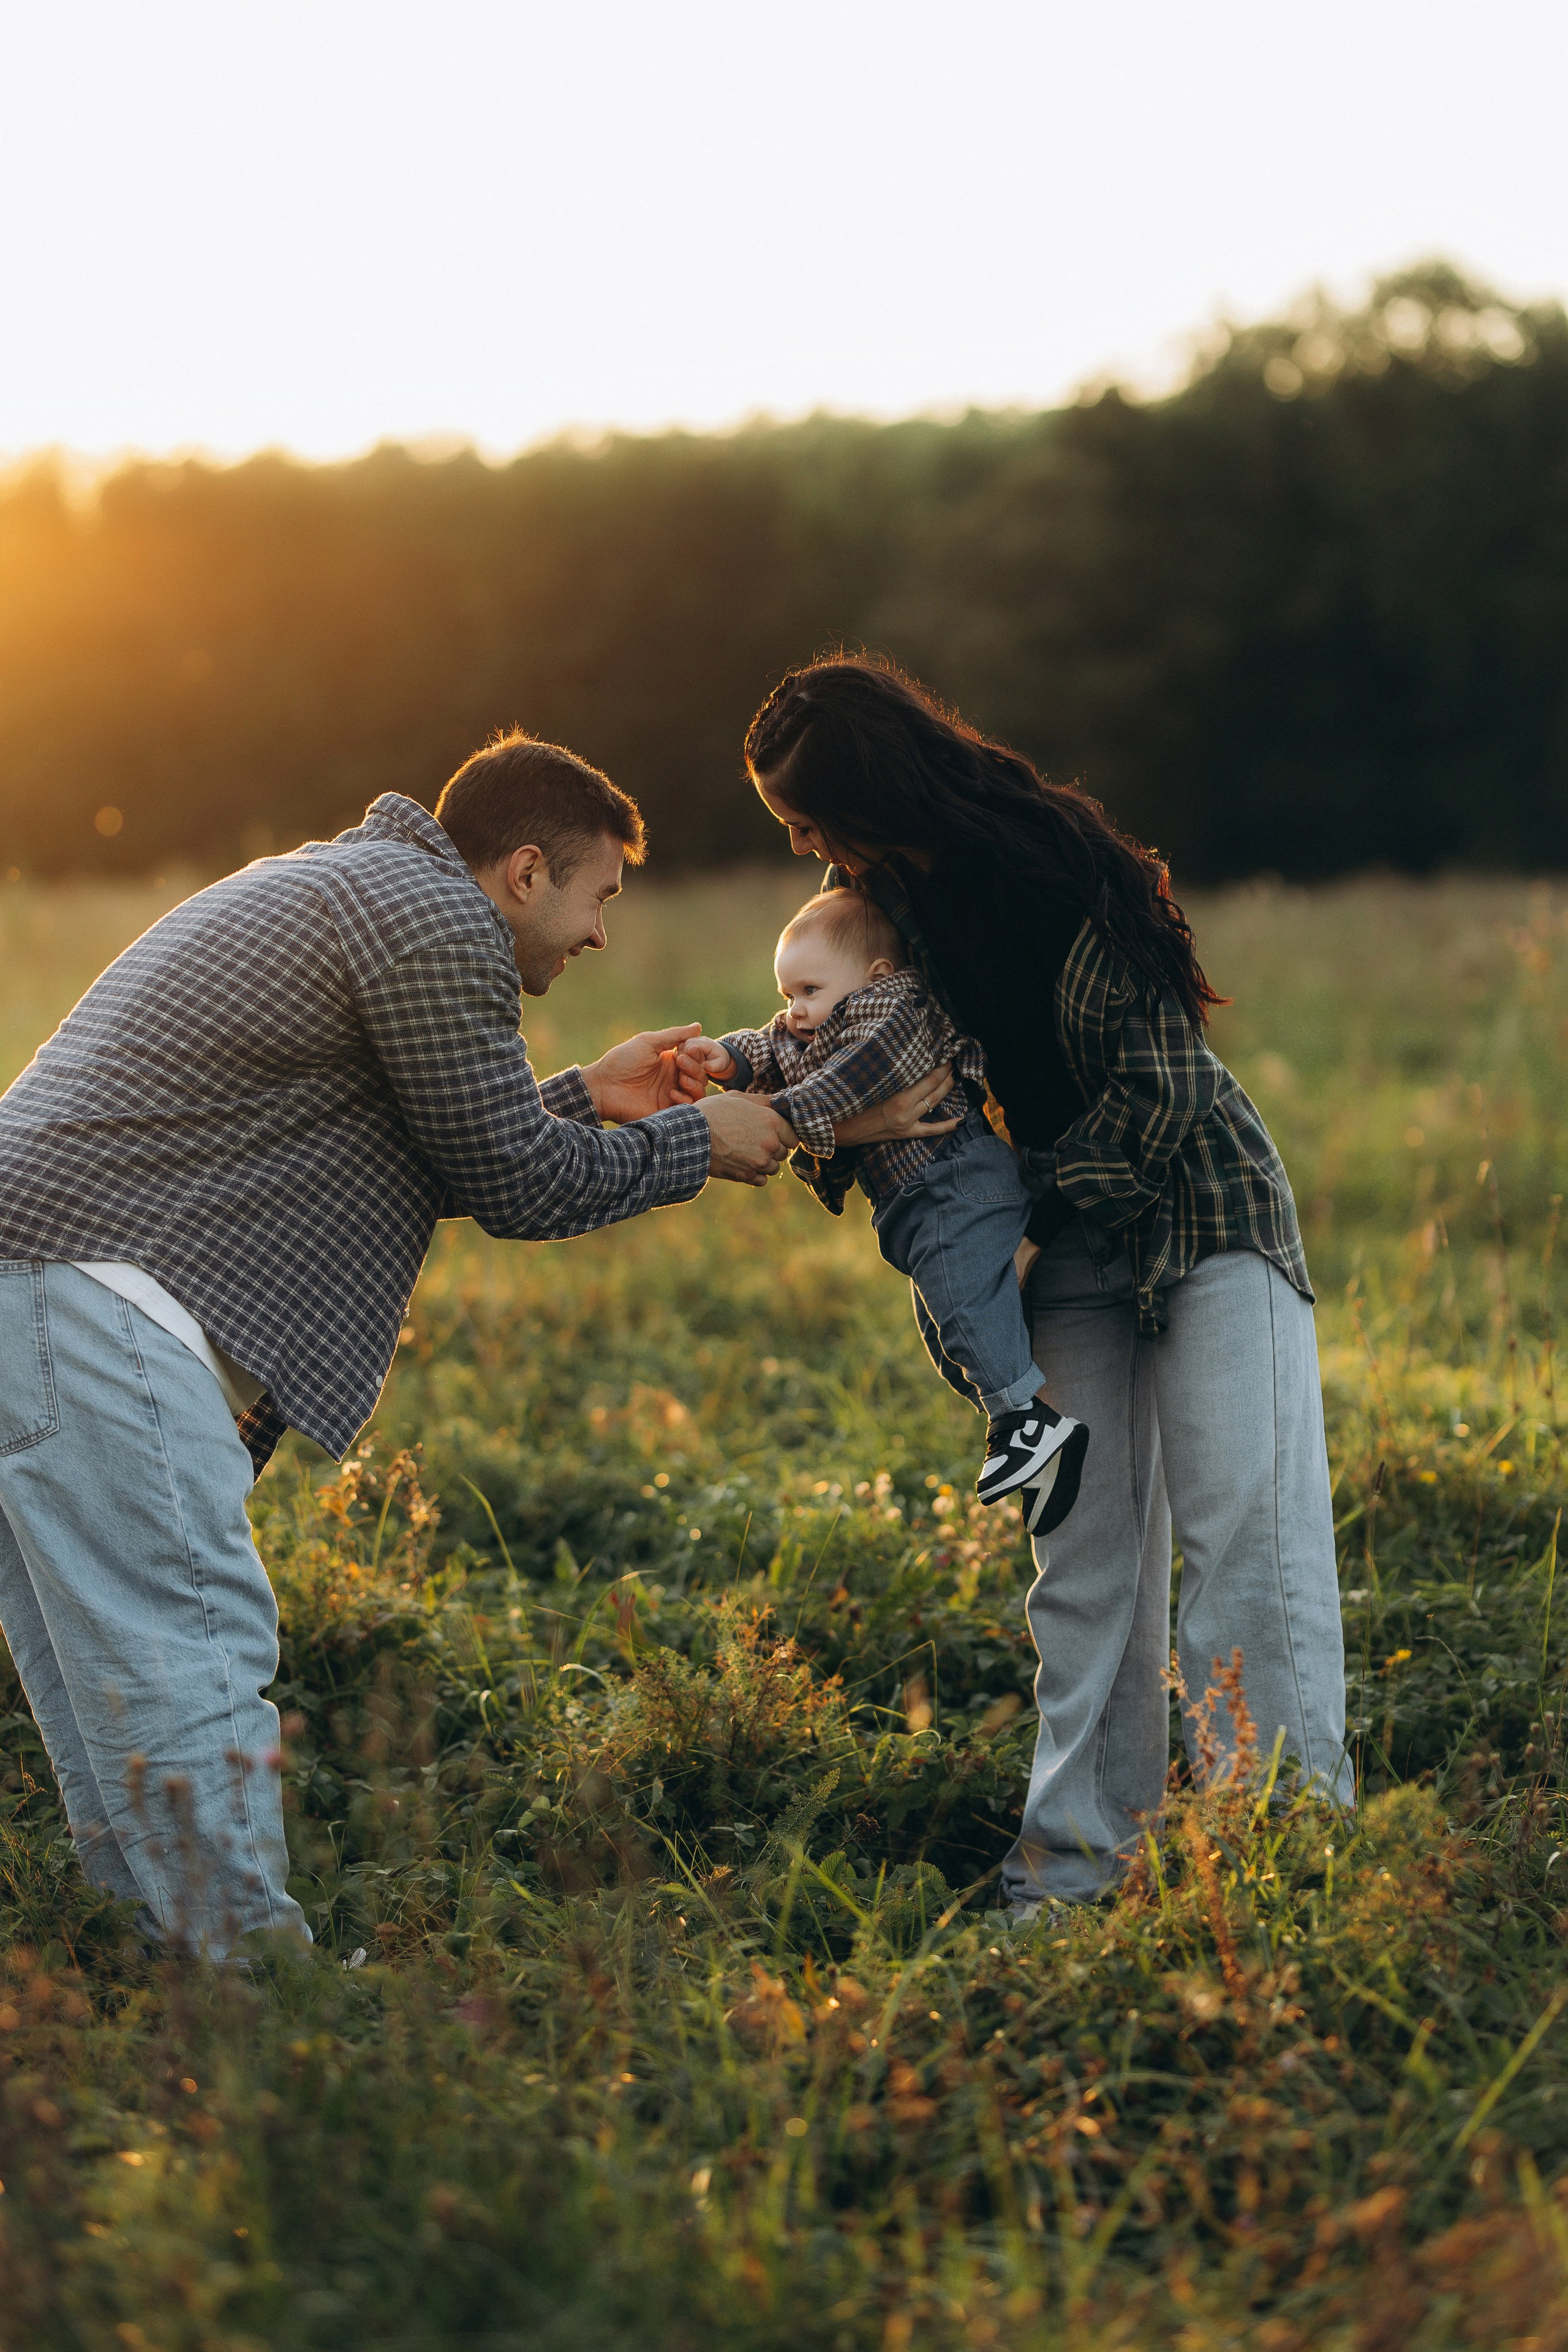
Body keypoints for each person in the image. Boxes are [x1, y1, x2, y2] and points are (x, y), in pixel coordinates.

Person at [0, 729, 839, 1961]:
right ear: (521, 871)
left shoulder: (359, 889)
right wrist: (693, 1143)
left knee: (114, 1677)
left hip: (41, 1289)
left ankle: (153, 1965)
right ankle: (261, 2001)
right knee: (191, 1644)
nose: (598, 934)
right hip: (98, 1300)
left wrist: (583, 1098)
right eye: (596, 896)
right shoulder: (429, 921)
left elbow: (407, 1139)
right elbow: (509, 1180)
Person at [742, 657, 1352, 1916]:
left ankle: (1281, 1868)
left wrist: (1013, 1180)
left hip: (1199, 1213)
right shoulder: (884, 912)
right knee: (1079, 1560)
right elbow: (856, 1051)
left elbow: (1168, 1097)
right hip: (1060, 1235)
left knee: (1244, 1528)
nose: (798, 842)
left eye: (805, 816)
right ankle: (1074, 1875)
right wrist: (759, 1084)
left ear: (871, 789)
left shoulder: (1054, 874)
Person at [691, 886, 1089, 1530]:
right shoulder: (822, 1021)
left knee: (963, 1309)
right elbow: (776, 1048)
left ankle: (1027, 1422)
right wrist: (731, 1059)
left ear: (874, 977)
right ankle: (1025, 1427)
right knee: (947, 1336)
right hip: (916, 1204)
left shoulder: (895, 1014)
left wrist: (774, 1117)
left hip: (955, 1183)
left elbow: (849, 1080)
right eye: (787, 995)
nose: (794, 1011)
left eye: (809, 992)